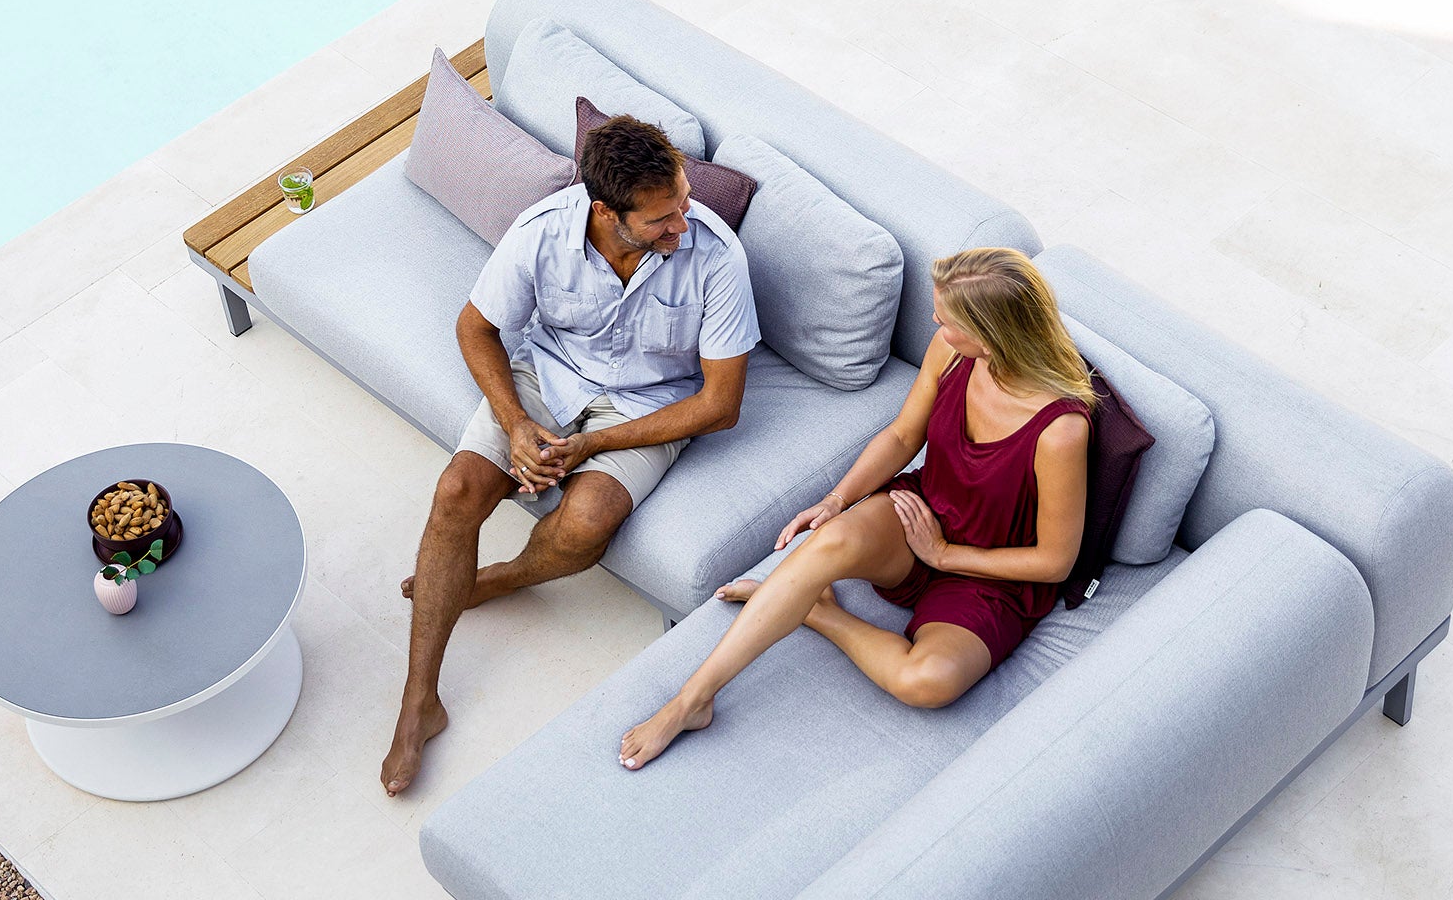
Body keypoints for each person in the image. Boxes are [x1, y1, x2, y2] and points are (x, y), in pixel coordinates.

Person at [382, 115, 760, 796]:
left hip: (652, 403)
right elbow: (476, 327)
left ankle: (494, 581)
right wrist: (517, 422)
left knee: (587, 524)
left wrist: (591, 445)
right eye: (661, 219)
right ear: (607, 212)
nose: (683, 223)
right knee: (457, 493)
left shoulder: (716, 255)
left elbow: (719, 405)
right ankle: (419, 702)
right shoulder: (542, 233)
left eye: (681, 203)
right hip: (549, 375)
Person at [619, 246, 1094, 771]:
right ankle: (692, 700)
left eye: (948, 318)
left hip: (989, 575)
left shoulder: (1061, 430)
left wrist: (943, 555)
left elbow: (1054, 562)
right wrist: (835, 500)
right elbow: (901, 435)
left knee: (926, 683)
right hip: (921, 513)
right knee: (830, 540)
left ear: (991, 335)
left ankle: (821, 614)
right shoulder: (952, 350)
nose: (934, 322)